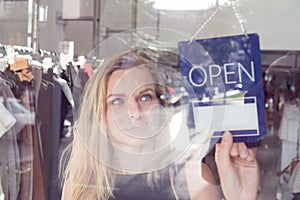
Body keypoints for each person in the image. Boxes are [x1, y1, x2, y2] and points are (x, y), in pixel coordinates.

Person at [60, 50, 259, 200]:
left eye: (145, 97)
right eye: (117, 101)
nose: (134, 112)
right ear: (99, 114)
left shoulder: (192, 179)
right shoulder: (81, 185)